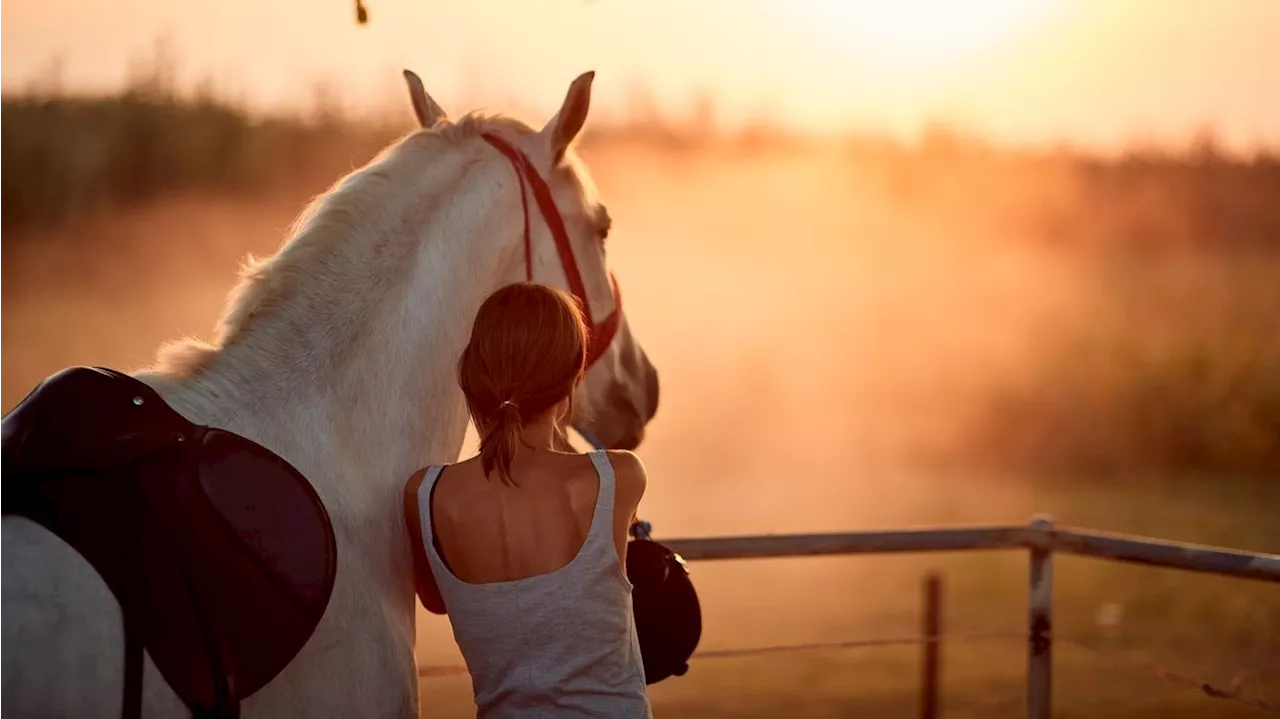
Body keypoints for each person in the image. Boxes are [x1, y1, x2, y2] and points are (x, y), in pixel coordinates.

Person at [403, 282, 652, 718]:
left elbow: (438, 601)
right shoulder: (616, 478)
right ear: (573, 376)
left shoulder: (425, 495)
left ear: (472, 376)